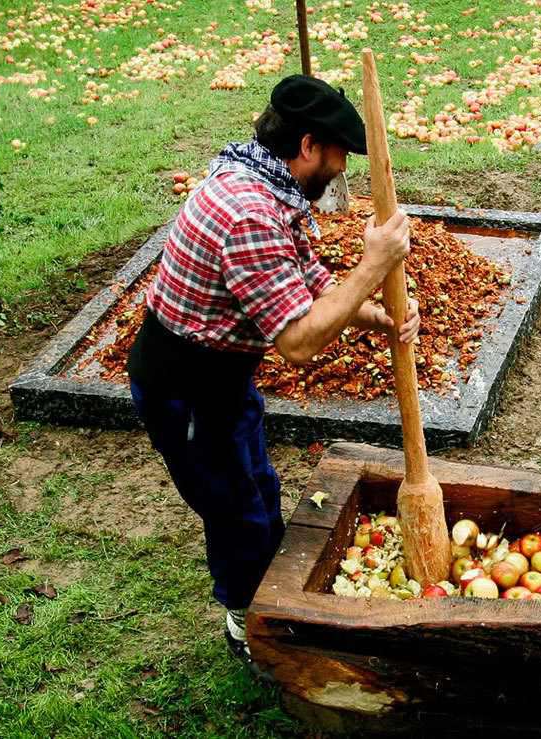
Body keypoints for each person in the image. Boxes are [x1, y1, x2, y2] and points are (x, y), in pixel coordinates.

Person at [126, 74, 419, 668]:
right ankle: (251, 628)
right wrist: (373, 263)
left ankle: (263, 595)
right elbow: (299, 342)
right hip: (184, 384)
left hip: (221, 375)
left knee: (256, 485)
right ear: (309, 145)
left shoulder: (264, 183)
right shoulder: (249, 213)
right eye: (340, 153)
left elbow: (308, 288)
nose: (343, 168)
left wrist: (381, 316)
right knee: (237, 507)